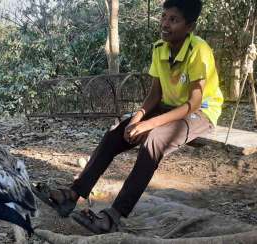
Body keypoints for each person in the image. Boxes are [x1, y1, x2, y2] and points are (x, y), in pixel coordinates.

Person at [33, 0, 223, 234]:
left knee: (154, 140)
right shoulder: (159, 48)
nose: (165, 23)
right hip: (168, 107)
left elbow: (193, 104)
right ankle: (73, 193)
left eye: (173, 20)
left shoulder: (199, 51)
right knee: (115, 134)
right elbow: (155, 94)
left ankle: (113, 217)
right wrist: (137, 118)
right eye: (164, 17)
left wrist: (150, 124)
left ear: (190, 26)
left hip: (200, 112)